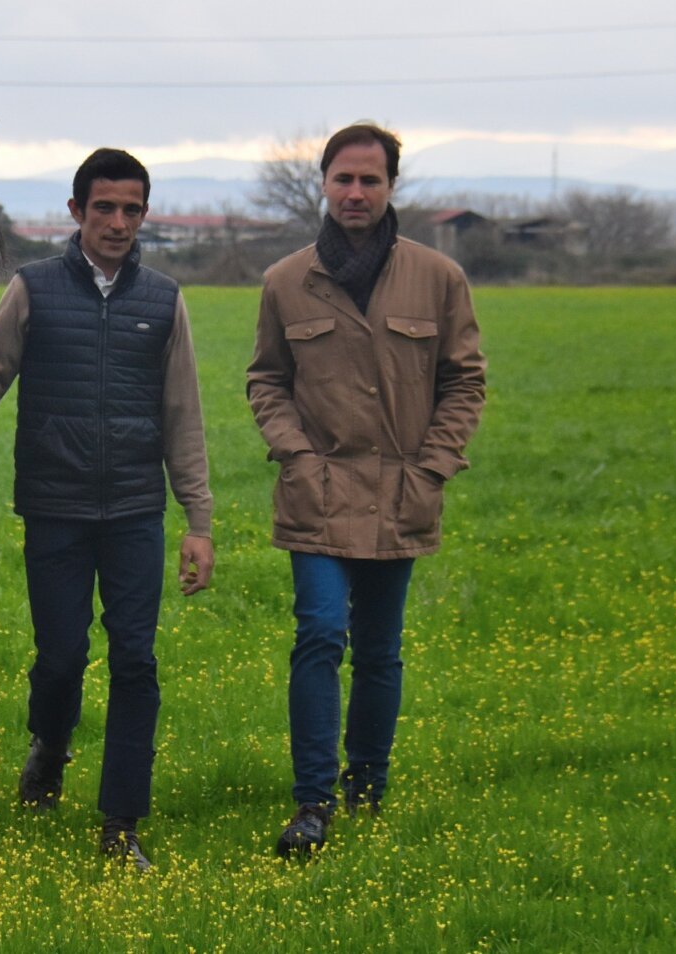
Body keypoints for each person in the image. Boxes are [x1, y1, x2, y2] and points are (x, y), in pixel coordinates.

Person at [0, 147, 214, 871]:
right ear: (76, 212)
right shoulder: (34, 288)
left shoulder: (163, 301)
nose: (118, 222)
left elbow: (183, 418)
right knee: (63, 656)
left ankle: (122, 823)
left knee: (136, 660)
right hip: (56, 508)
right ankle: (49, 743)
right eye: (104, 207)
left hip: (135, 510)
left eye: (132, 209)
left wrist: (197, 523)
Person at [246, 123, 486, 858]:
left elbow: (465, 380)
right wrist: (295, 455)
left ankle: (368, 788)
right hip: (316, 493)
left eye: (370, 181)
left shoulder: (437, 279)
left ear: (391, 188)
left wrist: (433, 467)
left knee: (380, 650)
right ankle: (313, 802)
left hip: (401, 493)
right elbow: (266, 380)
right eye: (343, 179)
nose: (356, 193)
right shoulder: (286, 281)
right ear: (322, 182)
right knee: (319, 634)